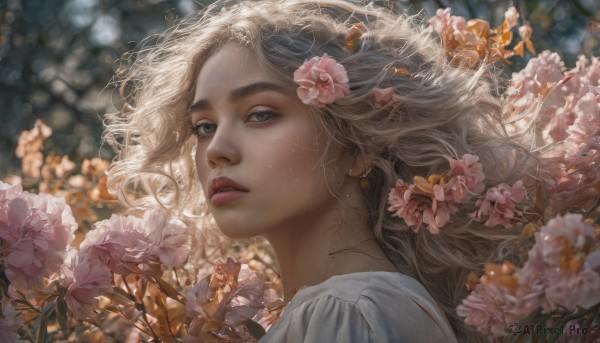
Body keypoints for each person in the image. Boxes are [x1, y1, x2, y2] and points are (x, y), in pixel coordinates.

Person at [103, 0, 531, 341]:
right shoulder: (345, 311)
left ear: (360, 144)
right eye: (203, 126)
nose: (216, 149)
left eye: (261, 115)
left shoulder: (352, 314)